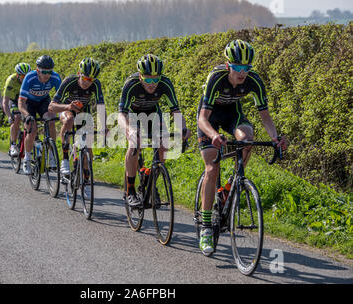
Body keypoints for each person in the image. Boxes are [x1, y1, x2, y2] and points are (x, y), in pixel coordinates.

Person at [196, 39, 288, 256]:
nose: (242, 72)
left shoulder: (254, 81)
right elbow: (202, 119)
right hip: (209, 118)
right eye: (237, 67)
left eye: (246, 67)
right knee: (212, 167)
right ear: (228, 65)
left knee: (247, 139)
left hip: (232, 114)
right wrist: (214, 135)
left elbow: (264, 116)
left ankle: (229, 187)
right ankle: (206, 227)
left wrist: (275, 138)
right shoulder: (216, 78)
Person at [118, 54, 191, 207]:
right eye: (148, 79)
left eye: (156, 79)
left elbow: (175, 111)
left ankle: (150, 181)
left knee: (163, 144)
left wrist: (183, 128)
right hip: (132, 114)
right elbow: (121, 115)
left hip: (153, 113)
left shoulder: (165, 83)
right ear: (140, 76)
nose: (152, 84)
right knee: (134, 144)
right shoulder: (131, 84)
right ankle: (129, 191)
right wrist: (129, 130)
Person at [49, 57, 107, 177]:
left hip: (84, 112)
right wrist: (68, 106)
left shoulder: (95, 84)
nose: (87, 82)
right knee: (69, 119)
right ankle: (65, 159)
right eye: (85, 78)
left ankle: (86, 179)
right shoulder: (69, 81)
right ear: (79, 73)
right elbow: (52, 106)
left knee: (88, 148)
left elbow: (101, 105)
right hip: (67, 109)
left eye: (91, 79)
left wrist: (104, 126)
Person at [18, 55, 61, 175]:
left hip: (43, 101)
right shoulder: (29, 77)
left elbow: (61, 100)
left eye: (49, 72)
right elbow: (21, 102)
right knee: (32, 129)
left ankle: (51, 155)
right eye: (44, 72)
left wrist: (63, 113)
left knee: (51, 120)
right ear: (38, 71)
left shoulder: (55, 77)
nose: (47, 75)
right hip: (29, 103)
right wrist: (26, 115)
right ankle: (26, 159)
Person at [2, 63, 31, 157]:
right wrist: (9, 116)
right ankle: (13, 145)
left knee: (31, 117)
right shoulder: (11, 81)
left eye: (27, 75)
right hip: (14, 100)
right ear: (17, 75)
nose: (25, 78)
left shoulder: (30, 80)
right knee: (17, 117)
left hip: (25, 100)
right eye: (23, 76)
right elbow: (5, 102)